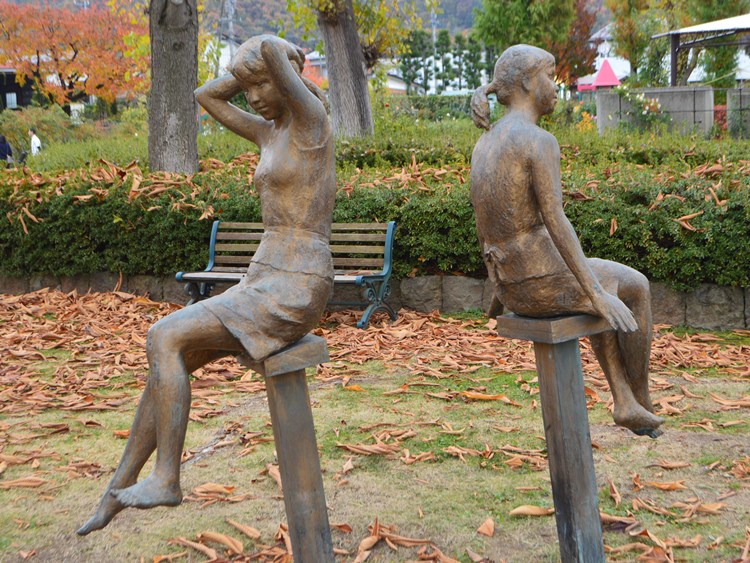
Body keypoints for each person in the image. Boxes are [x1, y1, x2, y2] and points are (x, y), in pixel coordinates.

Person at [77, 34, 335, 535]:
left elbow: (277, 64)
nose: (253, 96)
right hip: (264, 274)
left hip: (297, 282)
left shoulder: (312, 124)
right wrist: (245, 70)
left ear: (286, 78)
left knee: (163, 336)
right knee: (171, 360)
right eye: (247, 87)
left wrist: (271, 56)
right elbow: (205, 96)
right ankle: (118, 487)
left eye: (262, 84)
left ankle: (166, 479)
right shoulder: (268, 133)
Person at [470, 44, 663, 438]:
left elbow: (487, 222)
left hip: (514, 287)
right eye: (548, 74)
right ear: (527, 82)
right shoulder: (537, 140)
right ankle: (641, 398)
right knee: (635, 286)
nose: (555, 84)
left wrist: (498, 291)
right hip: (538, 282)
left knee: (598, 284)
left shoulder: (484, 143)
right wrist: (596, 294)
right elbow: (555, 220)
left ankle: (624, 399)